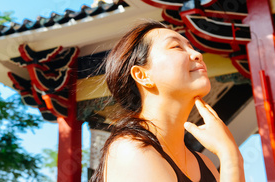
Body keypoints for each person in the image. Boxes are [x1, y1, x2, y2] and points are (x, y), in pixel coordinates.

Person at [90, 20, 245, 182]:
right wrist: (230, 155)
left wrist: (230, 153)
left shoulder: (205, 164)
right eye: (176, 47)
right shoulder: (129, 150)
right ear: (142, 76)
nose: (197, 54)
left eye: (191, 46)